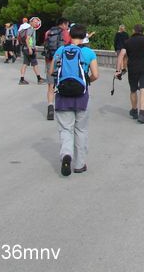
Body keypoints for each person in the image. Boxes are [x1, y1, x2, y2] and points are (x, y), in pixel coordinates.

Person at [52, 24, 99, 176]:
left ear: (69, 35)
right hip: (81, 96)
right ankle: (79, 164)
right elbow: (96, 75)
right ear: (85, 35)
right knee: (81, 130)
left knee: (66, 129)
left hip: (63, 96)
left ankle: (67, 154)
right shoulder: (88, 53)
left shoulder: (60, 50)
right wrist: (86, 81)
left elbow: (52, 70)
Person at [117, 24, 144, 124]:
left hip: (132, 68)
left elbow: (121, 55)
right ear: (143, 31)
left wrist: (118, 70)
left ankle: (134, 111)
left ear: (133, 30)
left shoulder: (127, 42)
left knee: (133, 90)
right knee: (143, 89)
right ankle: (142, 113)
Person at [43, 18, 71, 120]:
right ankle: (63, 106)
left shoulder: (48, 32)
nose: (67, 26)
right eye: (67, 24)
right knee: (63, 83)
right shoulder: (66, 33)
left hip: (49, 61)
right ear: (63, 24)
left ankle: (50, 107)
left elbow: (46, 47)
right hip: (62, 62)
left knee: (51, 86)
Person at [18, 17, 44, 85]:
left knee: (25, 64)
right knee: (35, 64)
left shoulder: (29, 29)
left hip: (25, 48)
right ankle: (39, 79)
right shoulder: (30, 29)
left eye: (37, 22)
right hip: (28, 49)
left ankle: (22, 79)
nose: (36, 23)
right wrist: (30, 48)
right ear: (31, 22)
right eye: (35, 22)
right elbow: (27, 39)